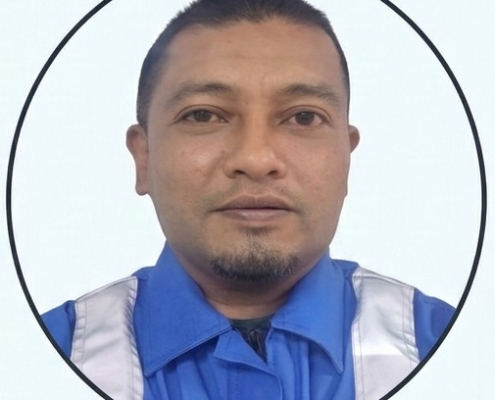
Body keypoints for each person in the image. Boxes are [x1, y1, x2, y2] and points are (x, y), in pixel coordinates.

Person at [42, 0, 455, 399]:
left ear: (346, 156)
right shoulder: (42, 358)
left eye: (303, 117)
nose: (256, 160)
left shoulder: (450, 347)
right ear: (144, 157)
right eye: (203, 115)